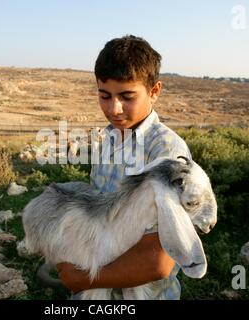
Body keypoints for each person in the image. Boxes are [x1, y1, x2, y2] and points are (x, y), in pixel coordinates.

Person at [56, 35, 192, 300]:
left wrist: (82, 278)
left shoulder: (165, 152)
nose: (114, 109)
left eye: (126, 97)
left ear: (154, 91)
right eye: (104, 96)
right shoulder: (110, 137)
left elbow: (159, 262)